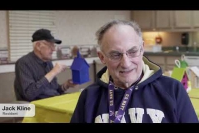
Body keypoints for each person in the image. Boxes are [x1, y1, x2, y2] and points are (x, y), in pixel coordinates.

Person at [70, 20, 198, 123]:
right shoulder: (89, 97)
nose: (126, 63)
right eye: (115, 54)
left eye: (132, 52)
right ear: (102, 57)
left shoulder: (172, 89)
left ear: (142, 49)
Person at [14, 29, 78, 102]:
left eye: (54, 46)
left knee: (80, 100)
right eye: (50, 46)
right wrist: (53, 72)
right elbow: (29, 94)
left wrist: (67, 85)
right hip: (38, 106)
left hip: (53, 101)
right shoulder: (23, 63)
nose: (54, 49)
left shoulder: (48, 62)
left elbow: (54, 90)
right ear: (38, 46)